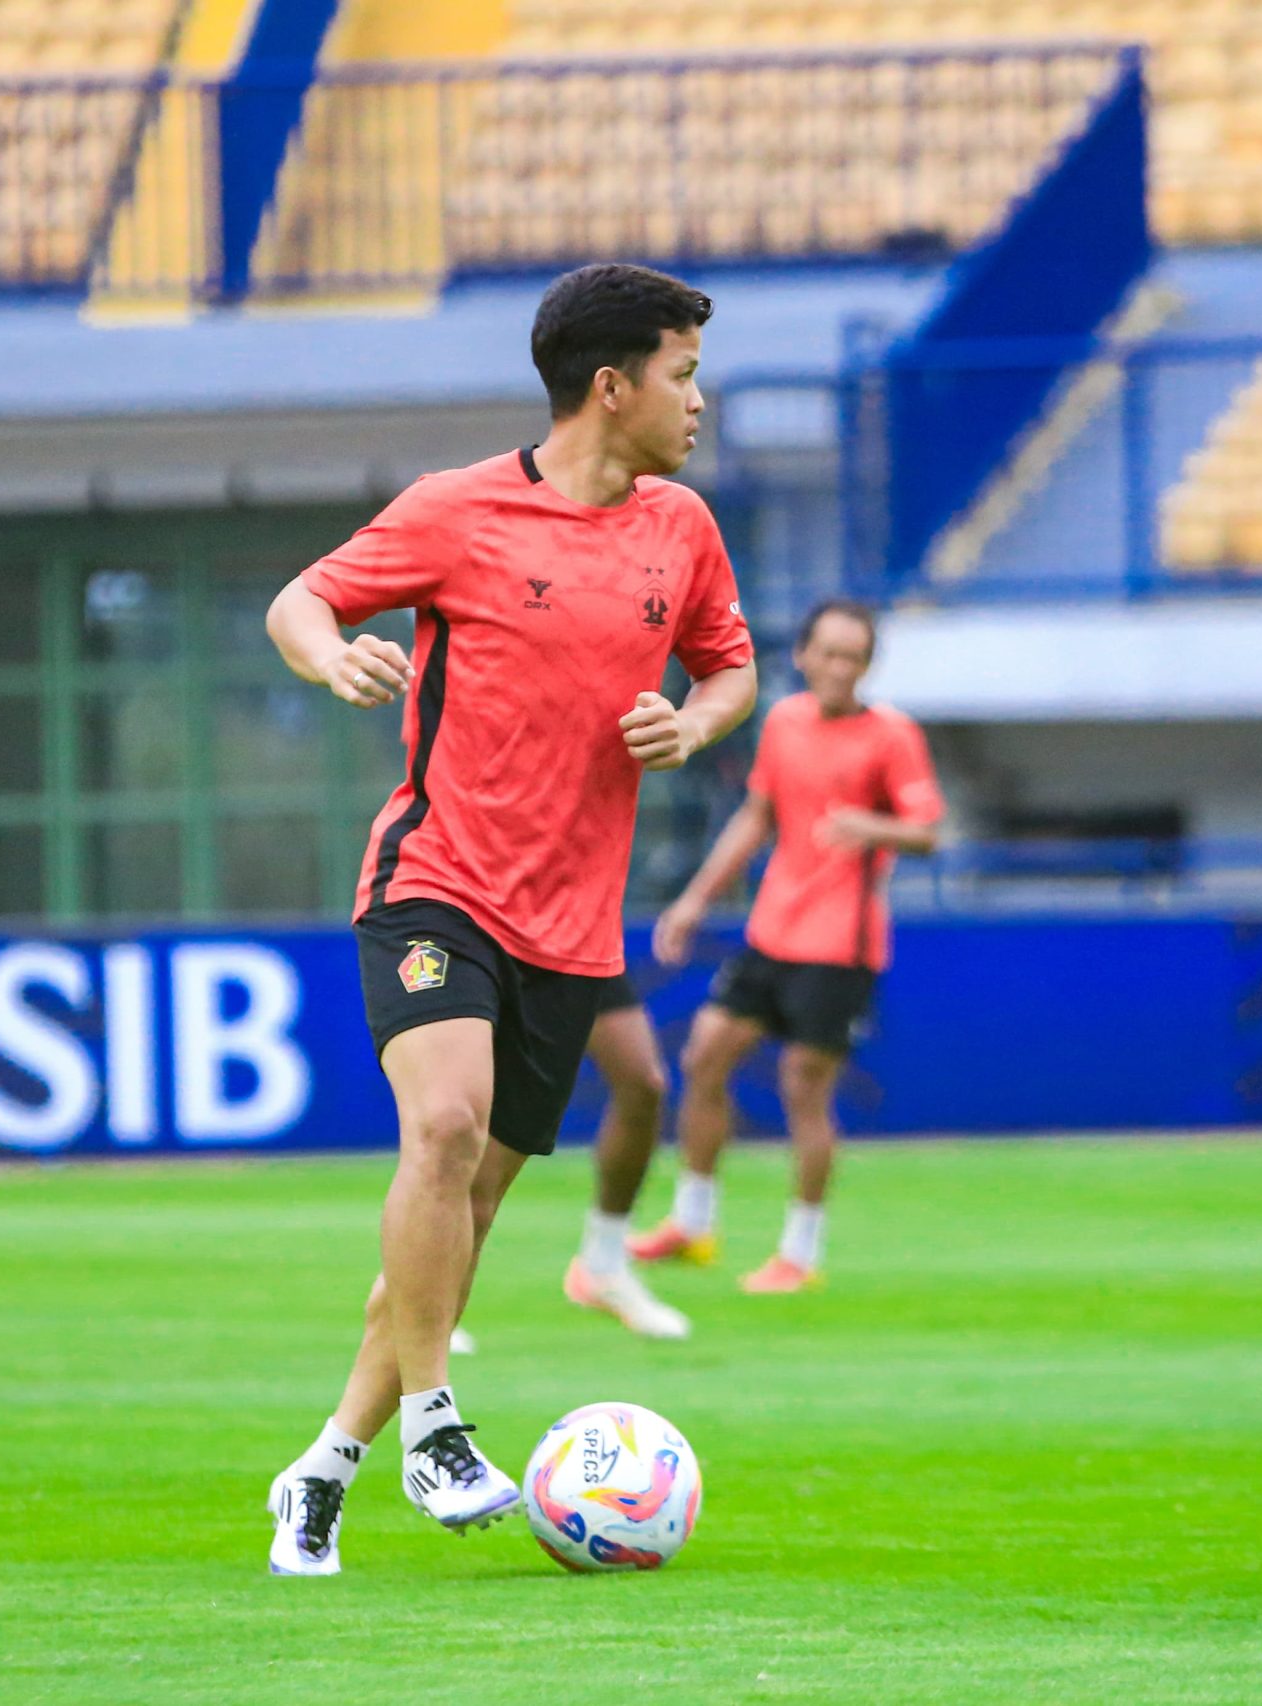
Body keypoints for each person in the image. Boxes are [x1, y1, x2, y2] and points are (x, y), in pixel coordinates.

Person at [258, 263, 757, 1576]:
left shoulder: (681, 529)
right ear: (614, 385)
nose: (698, 400)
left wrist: (693, 721)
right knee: (442, 1125)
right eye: (684, 373)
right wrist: (336, 656)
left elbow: (730, 666)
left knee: (462, 1212)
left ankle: (324, 1467)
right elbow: (302, 600)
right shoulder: (455, 510)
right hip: (436, 878)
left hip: (572, 927)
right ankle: (435, 1423)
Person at [627, 600, 945, 1293]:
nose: (838, 668)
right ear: (802, 655)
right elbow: (758, 817)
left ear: (867, 667)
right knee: (704, 1055)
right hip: (773, 930)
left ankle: (798, 1253)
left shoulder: (891, 736)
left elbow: (927, 831)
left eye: (853, 657)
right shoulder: (783, 721)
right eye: (827, 652)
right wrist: (694, 900)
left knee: (806, 1088)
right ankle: (694, 1221)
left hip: (843, 944)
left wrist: (873, 826)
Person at [558, 976, 691, 1338]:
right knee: (459, 1115)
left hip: (577, 936)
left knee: (643, 1083)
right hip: (482, 932)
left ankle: (602, 1266)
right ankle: (420, 1298)